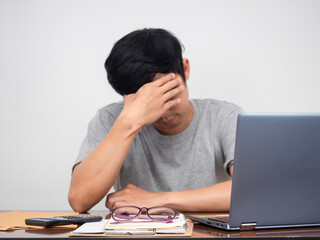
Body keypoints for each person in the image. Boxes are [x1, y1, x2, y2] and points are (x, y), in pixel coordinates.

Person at [68, 28, 243, 213]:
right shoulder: (112, 119)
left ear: (185, 69)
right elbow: (79, 200)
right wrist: (130, 121)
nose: (163, 113)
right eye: (148, 103)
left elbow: (251, 190)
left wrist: (159, 200)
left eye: (167, 95)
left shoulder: (224, 117)